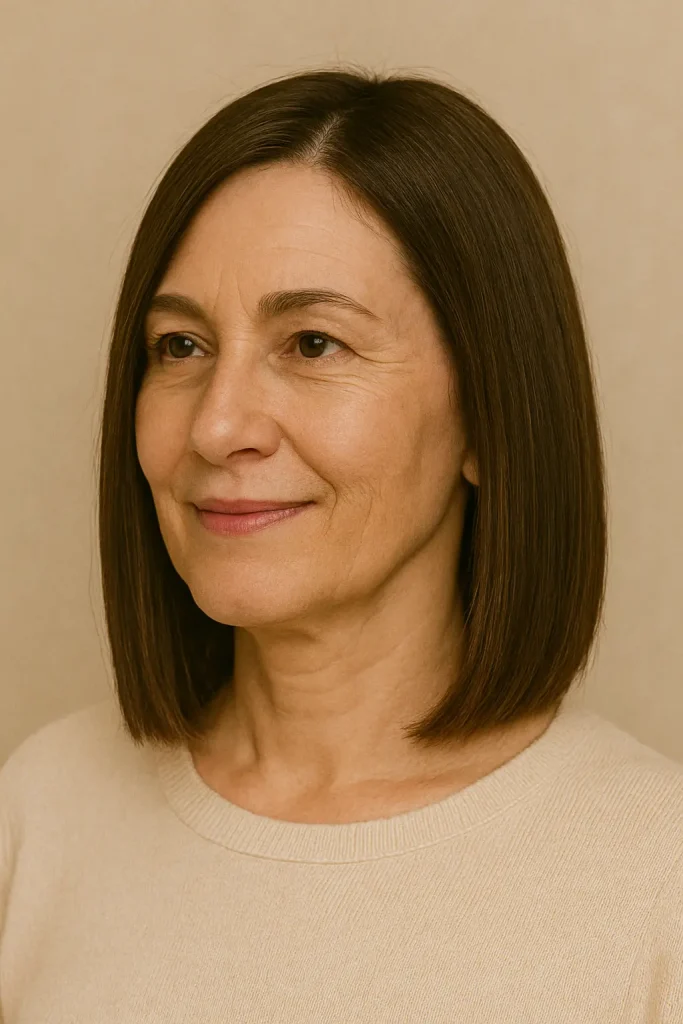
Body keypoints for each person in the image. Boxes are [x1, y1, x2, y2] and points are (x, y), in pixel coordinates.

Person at [0, 65, 681, 1023]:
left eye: (313, 343)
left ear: (490, 414)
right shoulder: (38, 814)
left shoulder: (657, 879)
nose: (216, 425)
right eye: (180, 347)